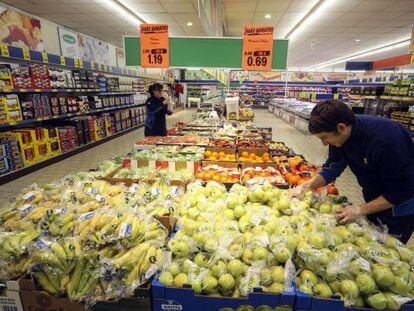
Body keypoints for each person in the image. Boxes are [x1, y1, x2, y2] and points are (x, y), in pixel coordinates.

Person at [291, 101, 414, 243]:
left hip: (400, 208)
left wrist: (361, 209)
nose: (324, 143)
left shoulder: (386, 139)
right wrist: (305, 186)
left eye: (324, 137)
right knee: (371, 242)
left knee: (390, 249)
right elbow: (333, 166)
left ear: (341, 127)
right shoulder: (340, 138)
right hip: (374, 198)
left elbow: (403, 189)